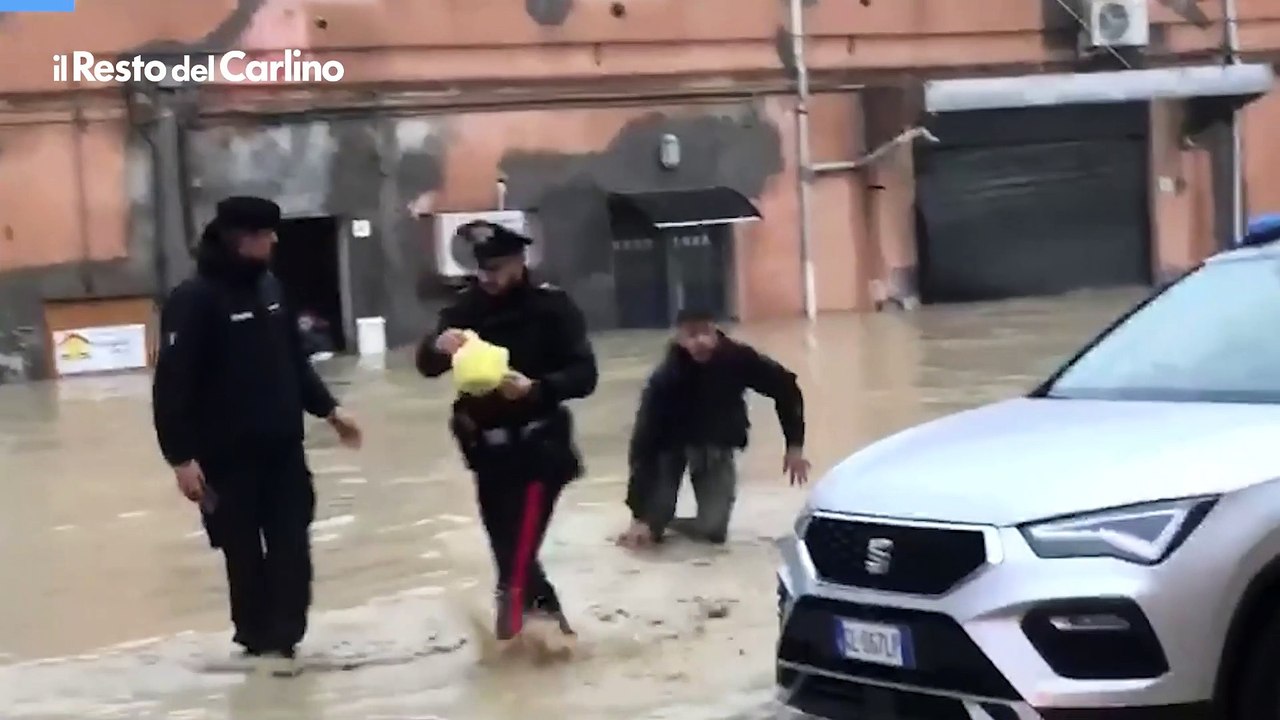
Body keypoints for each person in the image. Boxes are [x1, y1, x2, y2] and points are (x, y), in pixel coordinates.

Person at [151, 196, 363, 674]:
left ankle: (283, 651)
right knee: (243, 555)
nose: (274, 241)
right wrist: (181, 458)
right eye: (266, 234)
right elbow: (172, 386)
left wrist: (329, 410)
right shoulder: (194, 299)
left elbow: (293, 360)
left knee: (293, 549)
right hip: (226, 460)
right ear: (238, 239)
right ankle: (257, 647)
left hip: (283, 451)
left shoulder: (271, 288)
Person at [416, 220, 598, 644]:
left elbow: (585, 375)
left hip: (540, 450)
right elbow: (427, 367)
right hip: (488, 452)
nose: (489, 279)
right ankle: (554, 634)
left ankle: (509, 648)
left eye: (497, 269)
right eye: (483, 270)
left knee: (517, 562)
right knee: (509, 554)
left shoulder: (553, 308)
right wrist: (437, 346)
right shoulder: (466, 310)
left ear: (520, 262)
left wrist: (538, 389)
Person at [618, 307, 809, 549]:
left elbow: (786, 387)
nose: (701, 342)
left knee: (713, 533)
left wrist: (794, 444)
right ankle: (657, 520)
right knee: (648, 533)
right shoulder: (664, 379)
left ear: (716, 331)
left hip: (714, 446)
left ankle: (671, 524)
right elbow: (642, 444)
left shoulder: (737, 358)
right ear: (679, 338)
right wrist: (640, 514)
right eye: (691, 335)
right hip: (669, 446)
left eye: (706, 332)